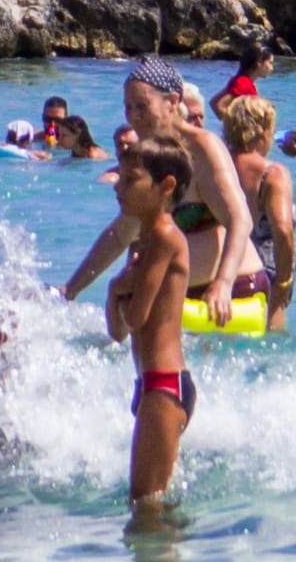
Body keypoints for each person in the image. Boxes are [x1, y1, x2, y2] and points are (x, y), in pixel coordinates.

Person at [62, 57, 262, 326]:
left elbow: (240, 219)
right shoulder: (147, 157)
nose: (133, 116)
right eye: (128, 107)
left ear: (172, 101)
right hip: (178, 297)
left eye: (142, 105)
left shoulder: (203, 148)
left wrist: (223, 284)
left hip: (234, 295)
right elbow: (120, 233)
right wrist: (69, 291)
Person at [104, 136, 193, 513]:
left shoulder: (164, 236)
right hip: (151, 385)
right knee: (148, 504)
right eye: (120, 178)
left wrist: (122, 289)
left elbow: (136, 315)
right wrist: (113, 289)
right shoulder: (143, 239)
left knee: (146, 509)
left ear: (166, 186)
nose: (119, 187)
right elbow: (118, 331)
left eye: (130, 179)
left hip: (164, 385)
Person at [220, 96, 292, 332]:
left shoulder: (215, 165)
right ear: (262, 132)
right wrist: (284, 282)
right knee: (271, 339)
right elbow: (282, 230)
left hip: (220, 267)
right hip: (263, 271)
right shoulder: (271, 173)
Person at [210, 44, 274, 120]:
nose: (272, 68)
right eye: (270, 63)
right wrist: (240, 127)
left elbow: (213, 102)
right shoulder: (244, 84)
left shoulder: (240, 80)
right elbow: (219, 106)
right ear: (259, 62)